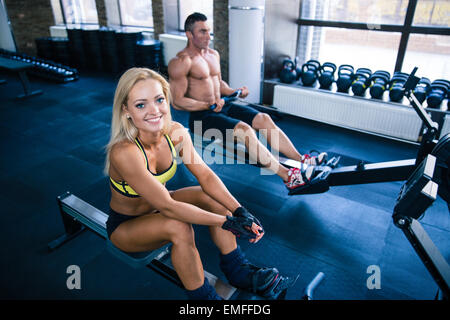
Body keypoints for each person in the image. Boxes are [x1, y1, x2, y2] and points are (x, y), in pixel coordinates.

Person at [104, 67, 293, 300]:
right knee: (179, 226)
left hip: (161, 205)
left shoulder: (176, 133)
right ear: (126, 110)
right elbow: (168, 208)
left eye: (159, 100)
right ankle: (204, 300)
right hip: (127, 225)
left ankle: (238, 269)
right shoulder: (124, 152)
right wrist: (227, 222)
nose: (154, 111)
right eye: (141, 105)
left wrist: (239, 211)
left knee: (212, 197)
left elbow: (205, 175)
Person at [168, 12, 329, 194]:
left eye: (209, 31)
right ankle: (288, 177)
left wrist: (235, 91)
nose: (208, 36)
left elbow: (218, 83)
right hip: (202, 117)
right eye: (202, 32)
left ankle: (302, 160)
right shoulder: (181, 62)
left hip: (223, 106)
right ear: (189, 34)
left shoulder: (213, 54)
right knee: (245, 130)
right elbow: (177, 101)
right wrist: (206, 105)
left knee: (263, 118)